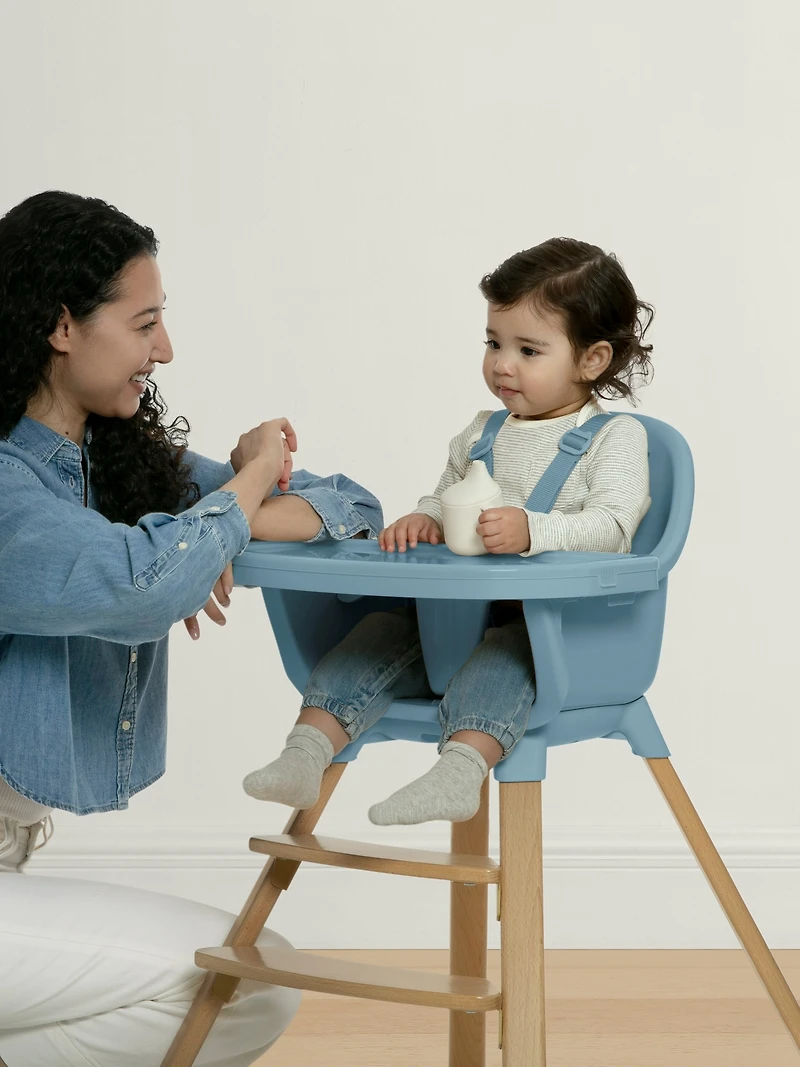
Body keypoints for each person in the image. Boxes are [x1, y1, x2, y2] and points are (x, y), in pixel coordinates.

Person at [0, 190, 383, 1067]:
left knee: (246, 984)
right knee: (250, 980)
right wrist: (239, 492)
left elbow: (350, 504)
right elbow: (140, 583)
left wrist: (216, 521)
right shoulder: (8, 490)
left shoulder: (117, 464)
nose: (163, 349)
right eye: (145, 324)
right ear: (63, 325)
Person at [243, 238, 653, 826]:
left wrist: (531, 530)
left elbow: (613, 529)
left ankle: (458, 771)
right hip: (450, 619)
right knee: (378, 633)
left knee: (506, 657)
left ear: (591, 360)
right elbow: (446, 493)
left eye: (528, 349)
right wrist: (425, 518)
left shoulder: (615, 439)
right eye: (493, 343)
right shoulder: (482, 432)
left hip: (555, 634)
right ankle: (304, 754)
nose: (501, 363)